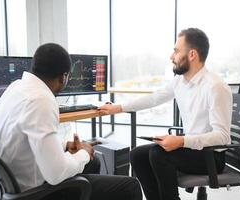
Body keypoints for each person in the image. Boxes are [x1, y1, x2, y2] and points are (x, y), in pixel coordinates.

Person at [0, 43, 142, 200]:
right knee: (130, 186)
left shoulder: (16, 87)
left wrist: (66, 145)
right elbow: (55, 174)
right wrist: (84, 152)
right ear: (63, 77)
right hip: (35, 193)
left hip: (9, 185)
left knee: (93, 162)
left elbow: (27, 139)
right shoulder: (41, 100)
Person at [99, 28, 232, 200]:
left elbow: (222, 137)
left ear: (192, 55)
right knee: (137, 155)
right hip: (191, 148)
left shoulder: (215, 86)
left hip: (211, 156)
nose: (172, 56)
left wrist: (181, 140)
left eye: (176, 51)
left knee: (158, 154)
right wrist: (119, 107)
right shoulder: (181, 82)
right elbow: (154, 99)